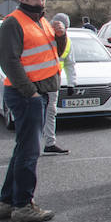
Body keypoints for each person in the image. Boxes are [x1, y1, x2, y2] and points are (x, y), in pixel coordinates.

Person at [0, 0, 60, 222]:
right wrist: (30, 92)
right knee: (30, 152)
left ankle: (7, 202)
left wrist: (60, 37)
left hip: (39, 91)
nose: (39, 2)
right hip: (26, 94)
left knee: (23, 149)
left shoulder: (41, 21)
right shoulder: (14, 22)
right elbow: (9, 61)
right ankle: (23, 205)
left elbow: (54, 53)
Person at [41, 14, 77, 155]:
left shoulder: (67, 41)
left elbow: (70, 63)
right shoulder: (43, 37)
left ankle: (50, 143)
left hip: (53, 81)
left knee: (51, 112)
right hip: (36, 80)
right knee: (36, 113)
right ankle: (31, 144)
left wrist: (71, 83)